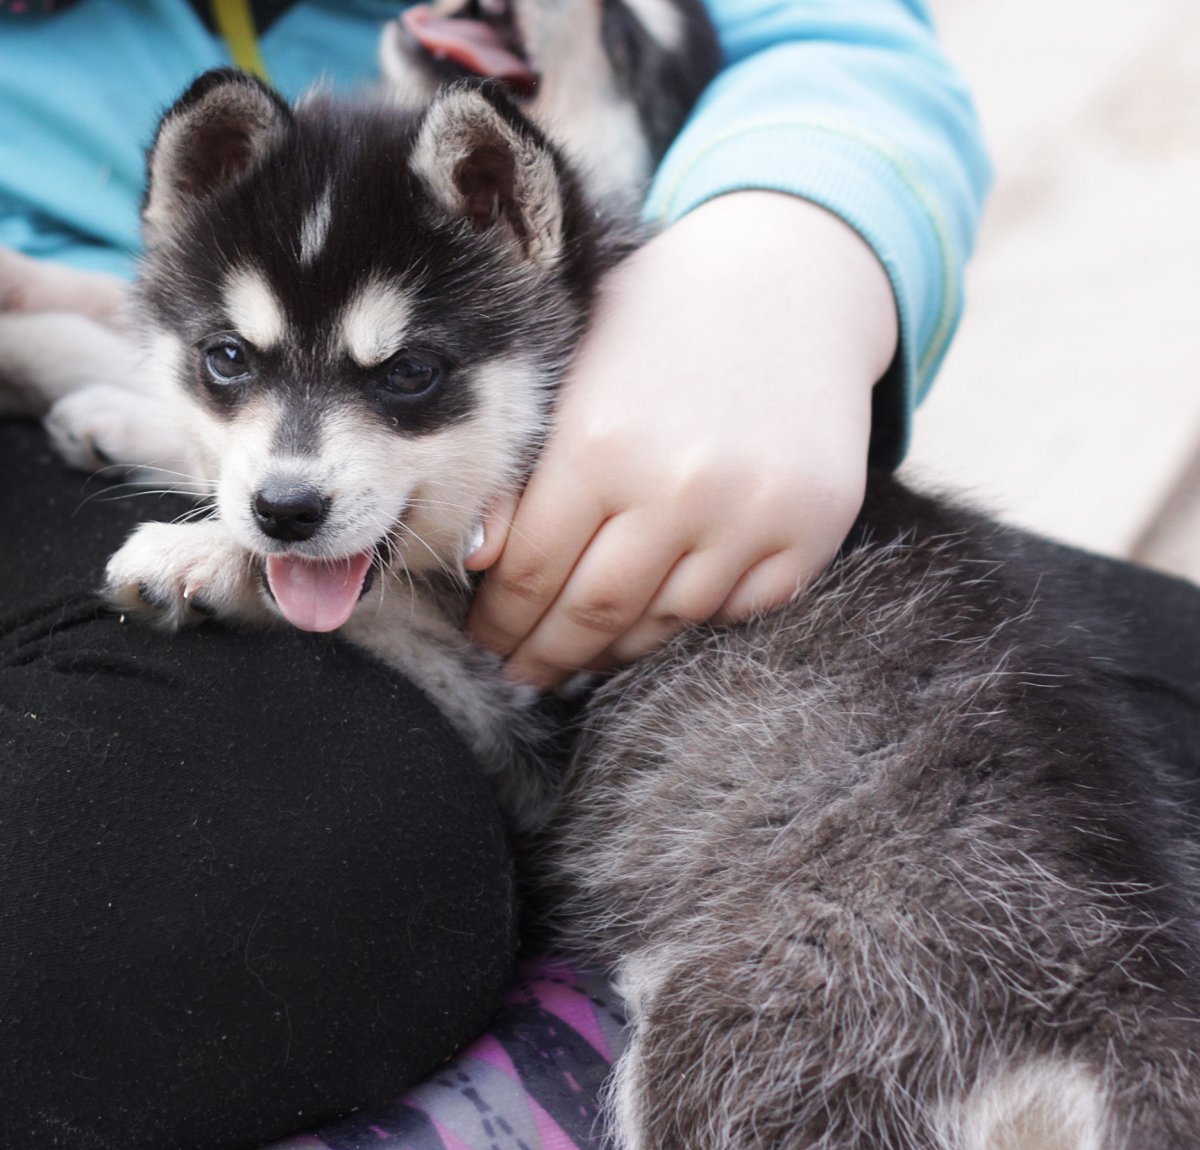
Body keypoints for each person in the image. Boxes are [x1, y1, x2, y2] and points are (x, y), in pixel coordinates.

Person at [2, 2, 1196, 1149]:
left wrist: (791, 244)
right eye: (229, 366)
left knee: (1162, 680)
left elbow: (821, 30)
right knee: (269, 852)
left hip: (673, 364)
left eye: (403, 378)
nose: (290, 473)